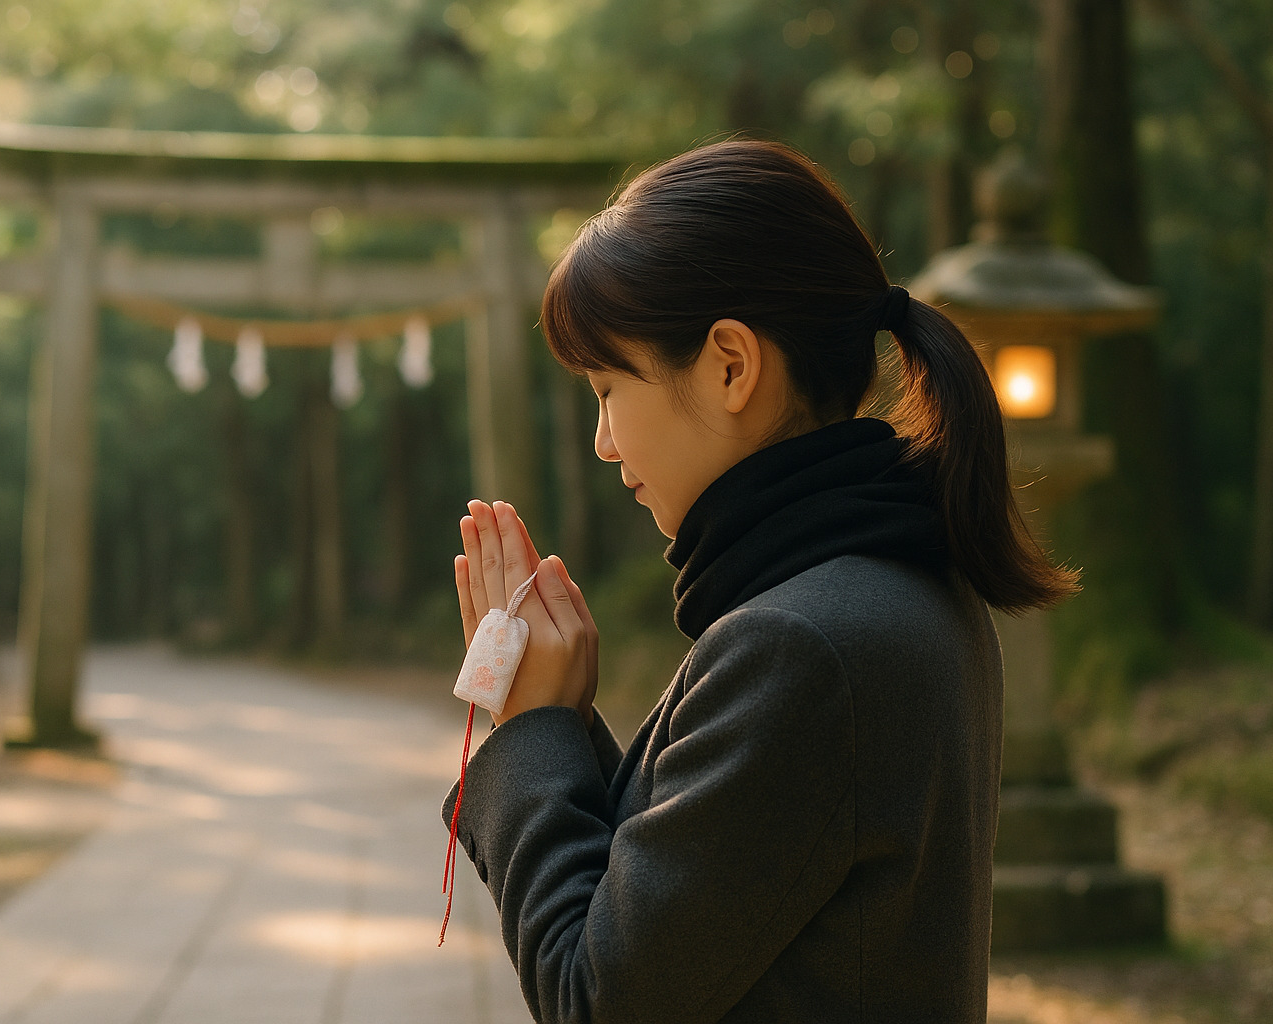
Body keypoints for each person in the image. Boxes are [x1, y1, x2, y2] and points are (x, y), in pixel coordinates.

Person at [443, 138, 1078, 1023]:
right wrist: (567, 727)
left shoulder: (801, 645)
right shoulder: (889, 584)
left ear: (731, 365)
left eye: (608, 388)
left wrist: (536, 729)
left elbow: (598, 999)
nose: (605, 443)